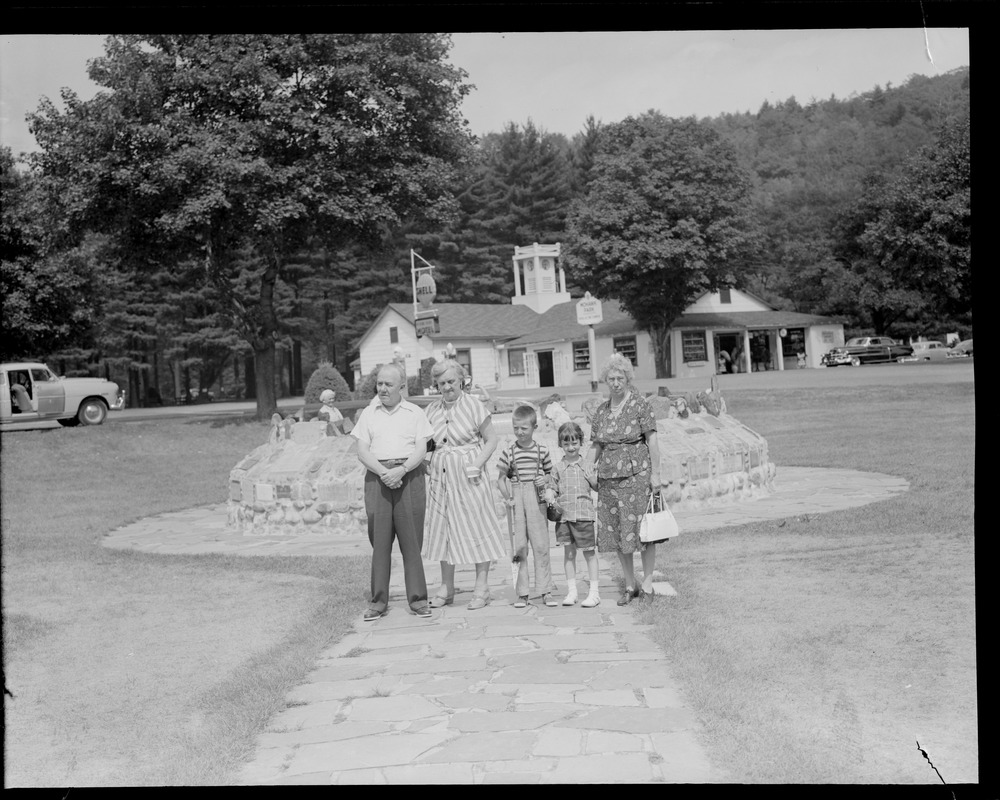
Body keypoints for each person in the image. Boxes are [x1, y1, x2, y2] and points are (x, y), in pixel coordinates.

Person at [423, 359, 508, 610]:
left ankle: (481, 587)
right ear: (436, 385)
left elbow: (491, 440)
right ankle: (446, 587)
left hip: (469, 474)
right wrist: (424, 464)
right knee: (443, 529)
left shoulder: (474, 405)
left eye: (451, 381)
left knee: (476, 527)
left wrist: (477, 464)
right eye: (442, 383)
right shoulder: (431, 410)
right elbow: (424, 443)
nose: (447, 387)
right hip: (441, 477)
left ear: (461, 380)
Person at [351, 364, 433, 621]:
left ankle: (418, 600)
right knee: (380, 542)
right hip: (378, 479)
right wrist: (384, 472)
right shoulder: (369, 413)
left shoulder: (415, 413)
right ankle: (378, 601)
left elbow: (422, 448)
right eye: (380, 383)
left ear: (401, 387)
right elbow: (362, 450)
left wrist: (402, 470)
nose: (383, 389)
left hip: (409, 477)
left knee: (411, 542)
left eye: (388, 384)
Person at [589, 353, 661, 605]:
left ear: (628, 378)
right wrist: (588, 468)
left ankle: (649, 582)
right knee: (618, 531)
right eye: (611, 378)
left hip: (636, 476)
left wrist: (656, 474)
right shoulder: (601, 411)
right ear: (605, 381)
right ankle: (630, 585)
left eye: (620, 378)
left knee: (643, 531)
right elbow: (596, 444)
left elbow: (652, 439)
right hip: (608, 479)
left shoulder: (640, 405)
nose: (616, 382)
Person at [497, 405, 558, 608]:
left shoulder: (542, 451)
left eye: (524, 428)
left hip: (537, 501)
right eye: (516, 428)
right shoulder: (509, 452)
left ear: (534, 427)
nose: (519, 432)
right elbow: (500, 479)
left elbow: (551, 475)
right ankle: (522, 593)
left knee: (541, 546)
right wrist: (508, 497)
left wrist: (545, 479)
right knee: (519, 548)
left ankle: (545, 590)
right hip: (518, 500)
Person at [547, 421, 601, 608]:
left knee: (589, 554)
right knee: (568, 554)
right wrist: (549, 493)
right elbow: (552, 489)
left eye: (574, 443)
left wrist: (593, 478)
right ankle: (572, 592)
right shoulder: (557, 468)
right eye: (566, 444)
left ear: (581, 442)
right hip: (564, 517)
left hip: (584, 515)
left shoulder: (588, 465)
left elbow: (596, 487)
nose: (570, 447)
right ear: (560, 444)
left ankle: (594, 593)